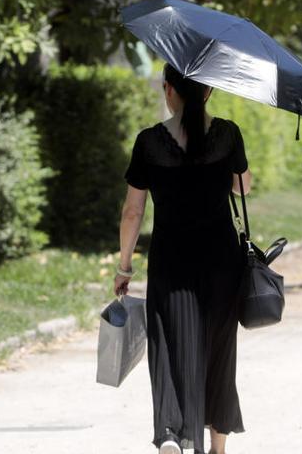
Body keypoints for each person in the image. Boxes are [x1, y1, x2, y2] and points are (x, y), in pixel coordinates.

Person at [114, 63, 252, 454]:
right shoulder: (227, 134)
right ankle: (217, 446)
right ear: (208, 92)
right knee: (218, 351)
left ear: (168, 90)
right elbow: (243, 188)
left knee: (170, 347)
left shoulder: (149, 142)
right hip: (222, 261)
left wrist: (124, 267)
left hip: (171, 262)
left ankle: (171, 432)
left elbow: (132, 212)